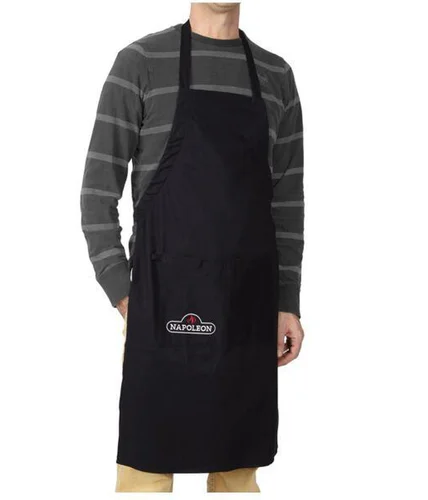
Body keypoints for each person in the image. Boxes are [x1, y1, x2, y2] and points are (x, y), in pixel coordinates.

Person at [81, 2, 304, 493]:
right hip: (162, 305)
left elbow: (287, 203)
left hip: (247, 307)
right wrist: (124, 293)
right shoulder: (141, 62)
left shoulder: (276, 75)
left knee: (238, 475)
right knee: (145, 475)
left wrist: (287, 301)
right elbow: (97, 193)